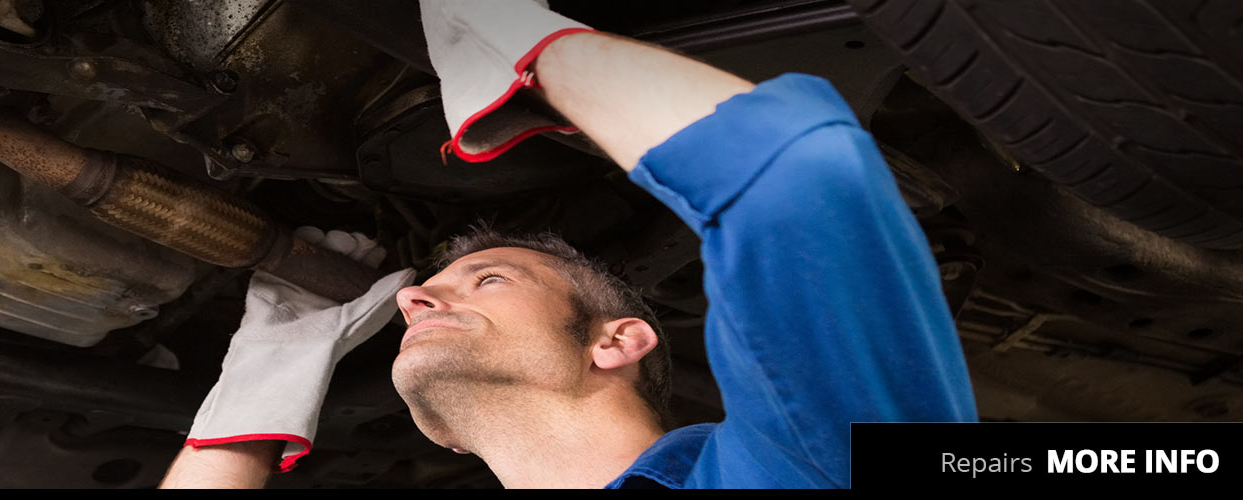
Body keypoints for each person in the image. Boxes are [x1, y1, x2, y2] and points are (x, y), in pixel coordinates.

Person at [159, 0, 977, 489]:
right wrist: (248, 402)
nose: (412, 296)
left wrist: (532, 52)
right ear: (442, 434)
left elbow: (803, 177)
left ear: (616, 340)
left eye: (487, 277)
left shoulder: (792, 467)